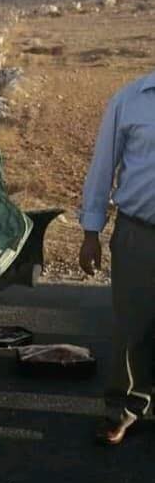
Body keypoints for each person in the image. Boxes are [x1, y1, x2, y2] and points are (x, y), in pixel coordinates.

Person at [79, 69, 155, 445]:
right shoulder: (130, 100)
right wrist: (91, 232)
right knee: (132, 326)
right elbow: (102, 166)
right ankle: (123, 408)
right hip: (138, 233)